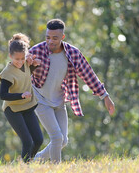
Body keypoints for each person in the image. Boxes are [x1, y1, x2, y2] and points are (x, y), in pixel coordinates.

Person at [28, 19, 115, 163]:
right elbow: (19, 69)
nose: (50, 41)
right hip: (41, 100)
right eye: (47, 37)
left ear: (62, 37)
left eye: (55, 38)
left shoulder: (72, 53)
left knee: (63, 140)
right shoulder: (36, 51)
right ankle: (56, 170)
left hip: (59, 102)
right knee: (56, 137)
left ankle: (34, 161)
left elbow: (88, 74)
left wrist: (105, 96)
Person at [0, 33, 43, 163]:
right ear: (10, 56)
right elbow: (3, 95)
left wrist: (35, 64)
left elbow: (25, 74)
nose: (19, 62)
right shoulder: (7, 73)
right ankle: (24, 167)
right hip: (13, 110)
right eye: (16, 59)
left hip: (27, 107)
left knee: (38, 139)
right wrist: (21, 95)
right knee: (27, 141)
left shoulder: (26, 63)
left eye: (22, 58)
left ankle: (28, 162)